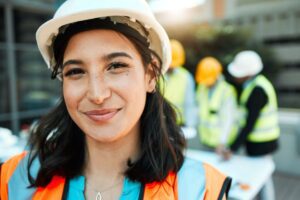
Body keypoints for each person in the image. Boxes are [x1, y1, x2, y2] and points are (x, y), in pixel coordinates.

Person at [0, 0, 231, 199]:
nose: (97, 94)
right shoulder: (15, 179)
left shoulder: (200, 189)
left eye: (116, 66)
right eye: (75, 71)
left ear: (150, 75)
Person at [220, 50, 280, 200]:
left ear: (247, 73)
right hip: (261, 143)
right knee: (261, 178)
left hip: (262, 144)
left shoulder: (257, 90)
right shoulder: (256, 85)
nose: (235, 76)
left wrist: (232, 148)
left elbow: (249, 125)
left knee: (262, 179)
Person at [195, 57, 238, 152]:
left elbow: (228, 119)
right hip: (205, 140)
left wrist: (222, 142)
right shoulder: (201, 87)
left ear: (217, 76)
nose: (207, 83)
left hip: (222, 143)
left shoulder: (226, 91)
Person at [160, 39, 197, 130]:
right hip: (158, 122)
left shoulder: (186, 77)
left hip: (179, 124)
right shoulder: (156, 75)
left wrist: (190, 125)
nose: (171, 67)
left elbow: (190, 103)